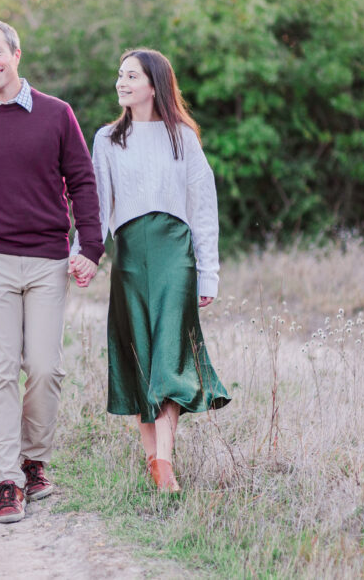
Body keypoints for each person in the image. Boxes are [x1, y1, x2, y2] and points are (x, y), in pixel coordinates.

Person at [0, 20, 103, 524]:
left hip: (49, 258)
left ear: (16, 53)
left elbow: (81, 180)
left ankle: (36, 462)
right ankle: (7, 479)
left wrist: (90, 247)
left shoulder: (57, 114)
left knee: (46, 367)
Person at [89, 48, 231, 492]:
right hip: (130, 255)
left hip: (175, 256)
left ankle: (165, 462)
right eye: (119, 75)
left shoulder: (182, 138)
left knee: (169, 356)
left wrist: (208, 274)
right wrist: (85, 253)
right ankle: (154, 459)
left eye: (131, 75)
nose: (121, 82)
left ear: (154, 84)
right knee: (139, 357)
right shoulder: (107, 139)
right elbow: (96, 208)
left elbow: (203, 209)